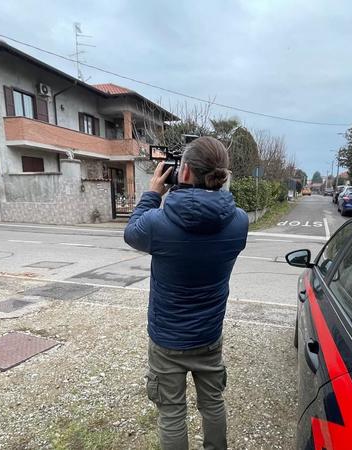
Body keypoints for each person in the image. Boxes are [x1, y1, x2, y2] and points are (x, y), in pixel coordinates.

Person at [124, 136, 248, 450]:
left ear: (186, 171)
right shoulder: (240, 222)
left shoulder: (158, 223)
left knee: (171, 412)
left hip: (167, 339)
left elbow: (131, 233)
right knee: (213, 403)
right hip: (208, 335)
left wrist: (154, 193)